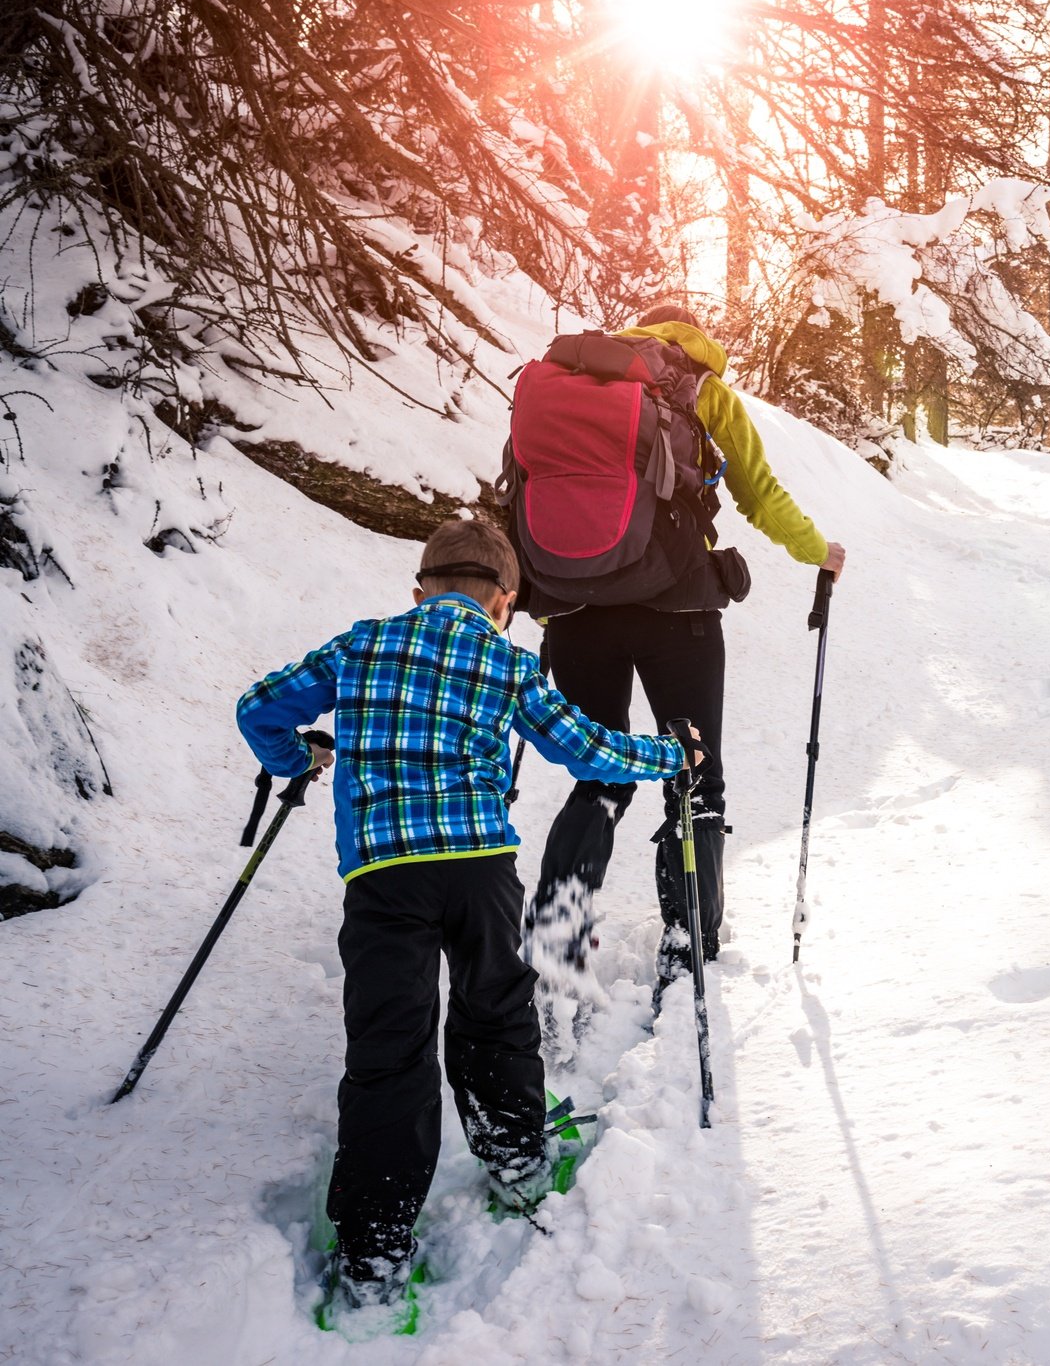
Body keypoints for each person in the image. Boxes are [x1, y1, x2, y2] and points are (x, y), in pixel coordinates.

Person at [235, 519, 701, 1332]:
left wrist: (295, 757)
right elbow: (586, 750)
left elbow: (258, 708)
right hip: (480, 866)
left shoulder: (362, 646)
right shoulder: (509, 660)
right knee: (495, 1011)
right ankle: (517, 1159)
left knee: (390, 1049)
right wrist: (670, 755)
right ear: (507, 603)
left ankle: (375, 1255)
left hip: (384, 878)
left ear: (420, 591)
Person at [523, 302, 846, 1001]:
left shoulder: (568, 381)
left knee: (599, 775)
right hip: (679, 610)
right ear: (692, 335)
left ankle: (556, 937)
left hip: (576, 605)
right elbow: (760, 496)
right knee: (696, 773)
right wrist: (819, 551)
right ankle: (689, 944)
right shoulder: (702, 388)